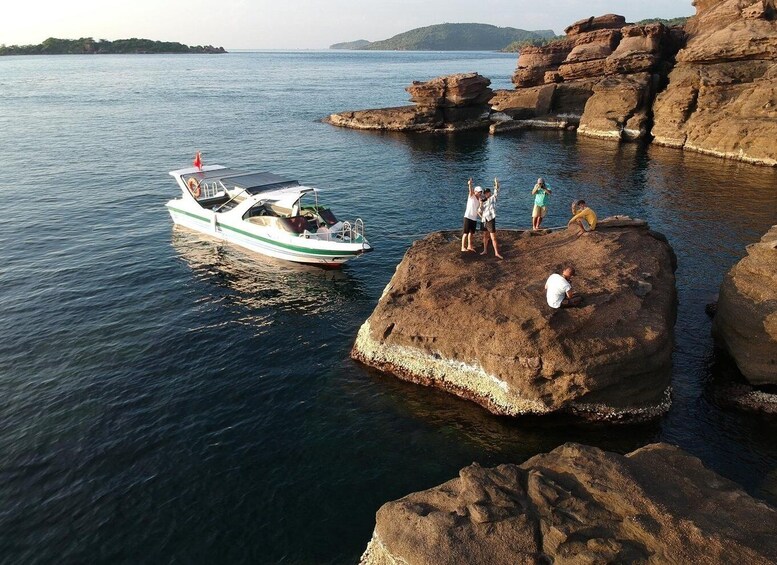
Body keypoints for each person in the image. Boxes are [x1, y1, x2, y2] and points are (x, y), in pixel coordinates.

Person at [479, 178, 503, 259]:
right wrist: (481, 204)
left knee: (493, 237)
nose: (486, 194)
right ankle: (485, 250)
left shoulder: (493, 198)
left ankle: (496, 252)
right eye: (485, 193)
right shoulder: (483, 201)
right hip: (484, 220)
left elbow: (497, 190)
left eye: (487, 192)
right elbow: (479, 211)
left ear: (490, 193)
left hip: (490, 219)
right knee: (485, 236)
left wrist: (496, 183)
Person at [462, 178, 482, 252]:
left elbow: (478, 210)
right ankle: (462, 247)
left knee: (471, 233)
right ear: (475, 191)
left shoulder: (479, 200)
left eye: (481, 192)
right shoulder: (471, 196)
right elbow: (470, 190)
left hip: (474, 218)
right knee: (465, 233)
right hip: (468, 217)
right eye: (479, 192)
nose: (480, 193)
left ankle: (469, 246)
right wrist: (470, 184)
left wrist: (480, 204)